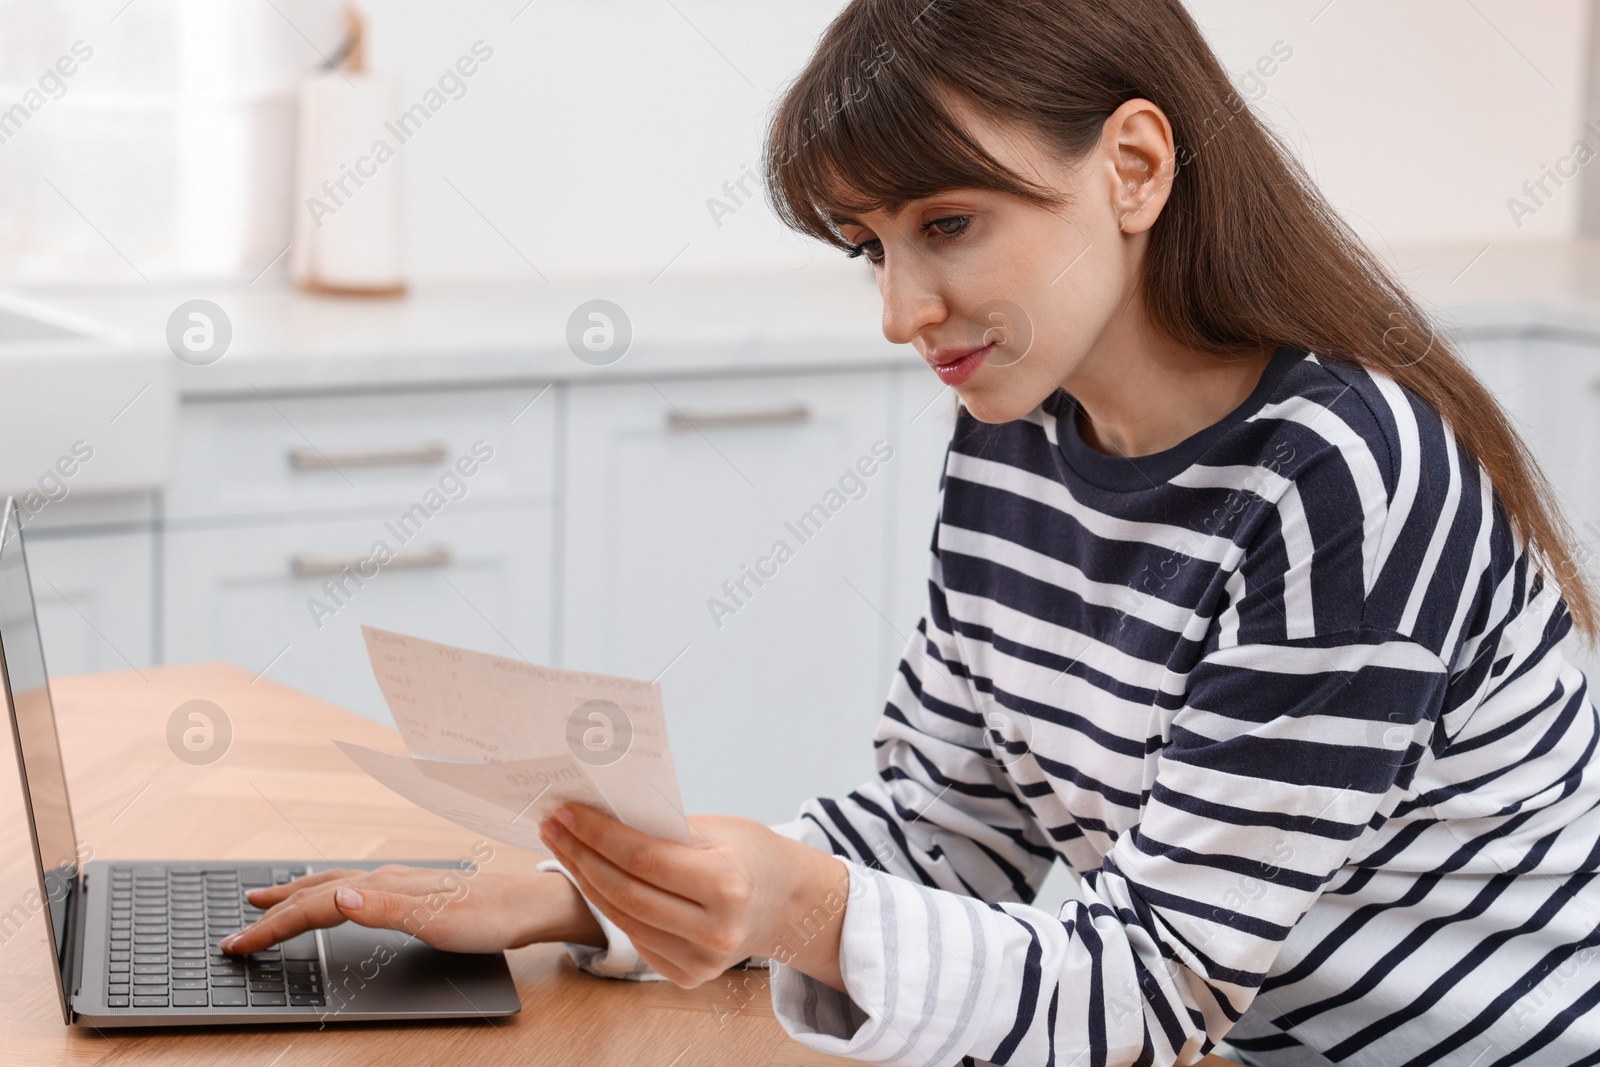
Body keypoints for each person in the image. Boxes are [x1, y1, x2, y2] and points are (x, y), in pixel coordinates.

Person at [220, 1, 1600, 1063]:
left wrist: (797, 908)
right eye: (870, 244)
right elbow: (942, 834)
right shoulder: (1014, 434)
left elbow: (1149, 989)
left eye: (949, 224)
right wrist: (572, 898)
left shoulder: (1343, 479)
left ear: (1131, 166)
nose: (900, 310)